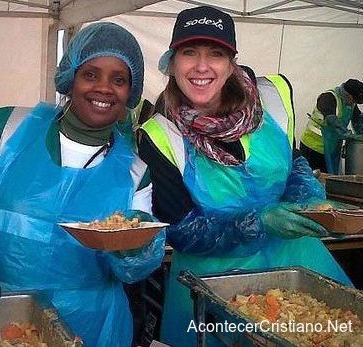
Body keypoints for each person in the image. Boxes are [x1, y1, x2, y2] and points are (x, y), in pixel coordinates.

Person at [0, 22, 165, 347]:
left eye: (119, 79)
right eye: (91, 74)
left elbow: (134, 271)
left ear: (131, 91)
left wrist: (138, 247)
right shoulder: (10, 131)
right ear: (70, 79)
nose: (105, 88)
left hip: (90, 327)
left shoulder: (135, 171)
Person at [137, 6, 352, 346]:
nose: (202, 66)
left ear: (231, 62)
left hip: (296, 270)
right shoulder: (160, 134)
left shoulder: (271, 103)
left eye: (216, 54)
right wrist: (259, 223)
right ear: (172, 62)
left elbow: (293, 164)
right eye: (189, 52)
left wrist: (309, 201)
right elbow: (182, 232)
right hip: (211, 288)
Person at [300, 79, 363, 174]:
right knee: (311, 179)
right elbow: (333, 122)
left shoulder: (351, 104)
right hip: (312, 148)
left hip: (330, 150)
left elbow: (358, 121)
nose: (353, 103)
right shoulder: (328, 98)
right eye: (354, 100)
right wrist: (349, 135)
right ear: (348, 95)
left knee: (327, 180)